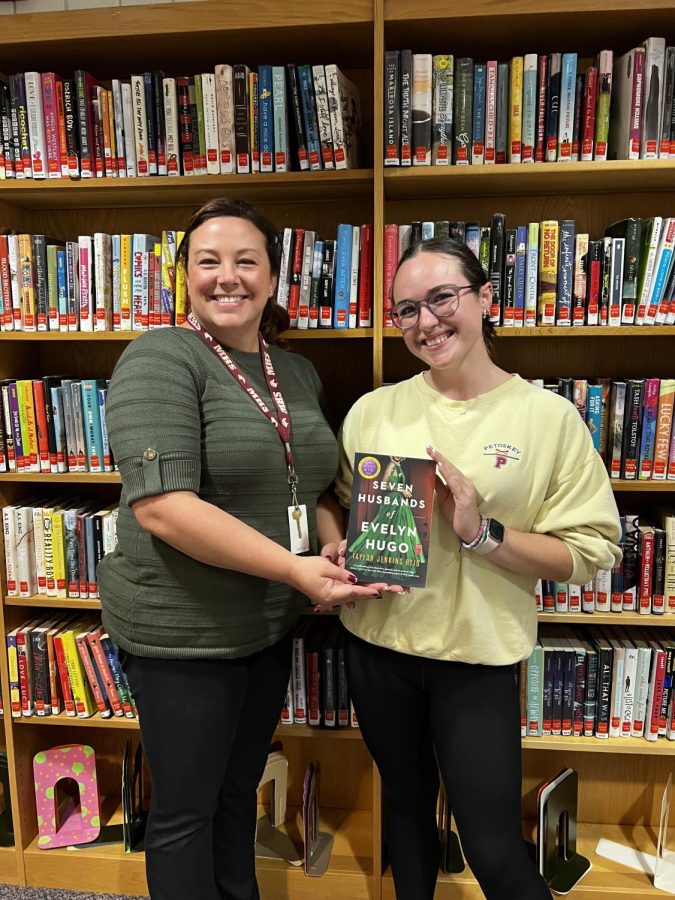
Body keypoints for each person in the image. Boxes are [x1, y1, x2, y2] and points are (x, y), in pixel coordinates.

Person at [97, 197, 381, 900]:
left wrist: (332, 542)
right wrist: (294, 569)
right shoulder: (160, 356)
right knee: (186, 815)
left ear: (274, 277)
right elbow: (164, 508)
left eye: (245, 260)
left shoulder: (297, 373)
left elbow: (309, 483)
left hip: (263, 626)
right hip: (182, 634)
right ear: (183, 276)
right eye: (208, 261)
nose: (227, 276)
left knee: (235, 798)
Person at [333, 237, 623, 900]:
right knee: (404, 816)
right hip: (378, 649)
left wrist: (480, 533)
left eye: (441, 298)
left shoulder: (548, 419)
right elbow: (343, 506)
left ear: (485, 297)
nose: (424, 322)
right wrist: (336, 548)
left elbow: (589, 552)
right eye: (406, 309)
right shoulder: (373, 410)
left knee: (492, 848)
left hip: (478, 660)